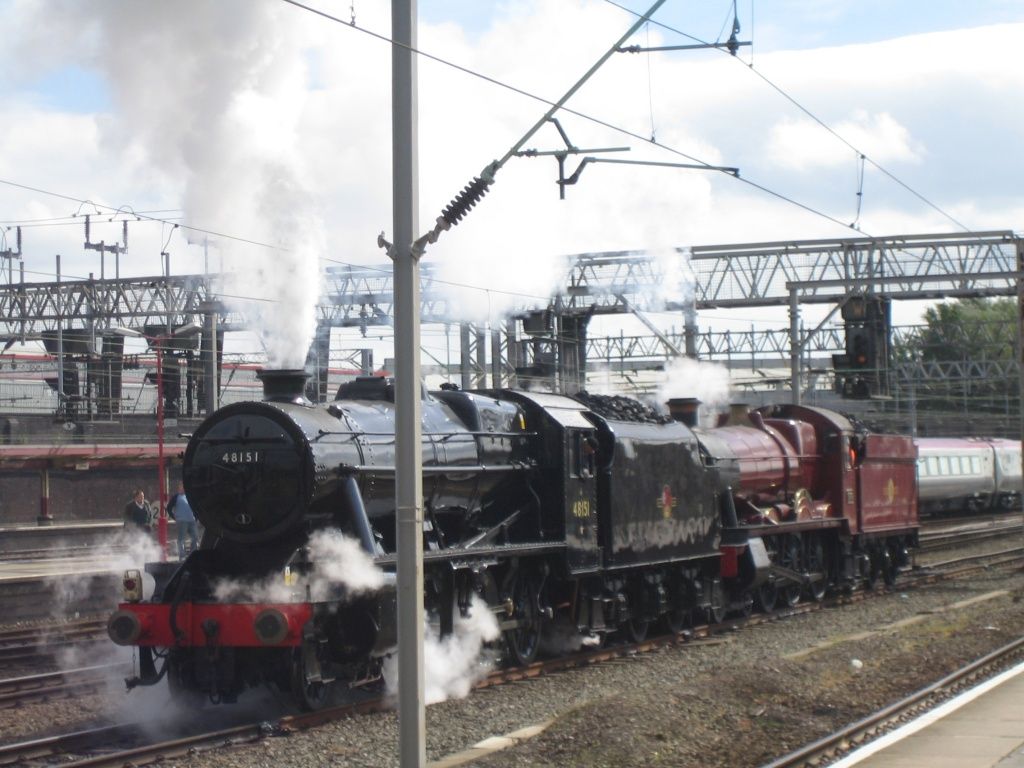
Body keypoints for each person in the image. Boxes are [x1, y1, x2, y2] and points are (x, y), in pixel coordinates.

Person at [167, 481, 199, 558]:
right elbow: (169, 508)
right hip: (182, 521)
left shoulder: (190, 496)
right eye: (182, 486)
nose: (184, 488)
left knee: (195, 537)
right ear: (179, 487)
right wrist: (175, 517)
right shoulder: (176, 497)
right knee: (181, 539)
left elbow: (196, 507)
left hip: (192, 520)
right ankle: (182, 556)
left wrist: (196, 517)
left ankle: (192, 554)